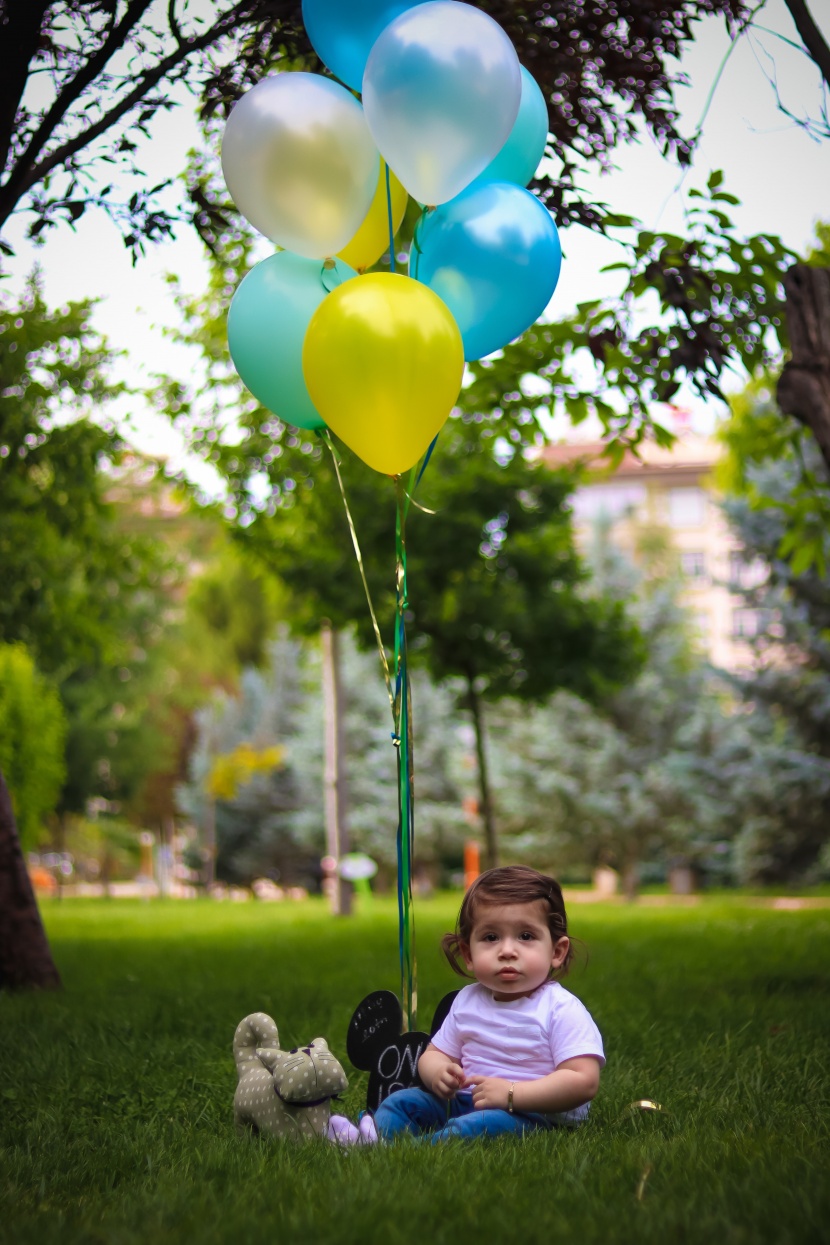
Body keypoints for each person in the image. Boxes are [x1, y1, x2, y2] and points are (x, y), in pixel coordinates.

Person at [328, 864, 604, 1145]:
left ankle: (408, 1150)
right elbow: (434, 1054)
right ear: (467, 953)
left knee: (476, 1126)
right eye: (491, 937)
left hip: (535, 1114)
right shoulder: (468, 1000)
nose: (507, 951)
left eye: (526, 936)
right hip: (464, 1101)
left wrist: (511, 1094)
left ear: (556, 951)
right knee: (402, 1101)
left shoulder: (559, 1008)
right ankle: (375, 1134)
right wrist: (437, 1072)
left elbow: (583, 1080)